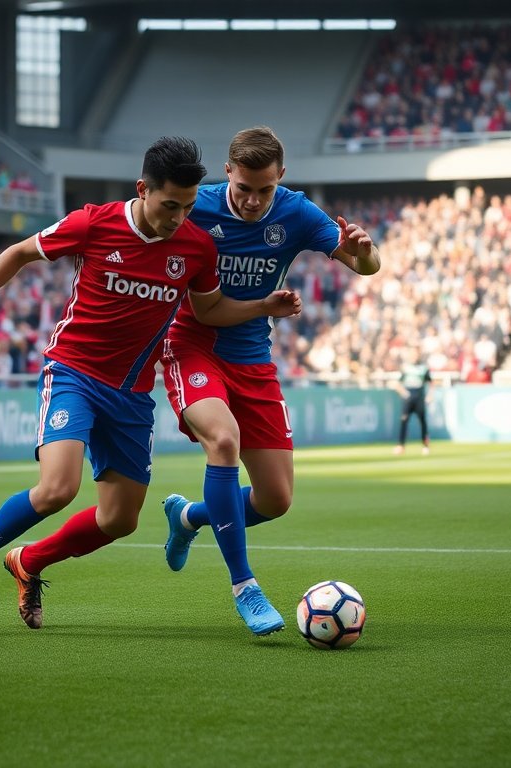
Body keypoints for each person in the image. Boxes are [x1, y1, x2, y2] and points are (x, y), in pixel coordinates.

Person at [0, 136, 302, 632]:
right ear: (143, 189)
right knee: (58, 488)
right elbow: (18, 253)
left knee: (120, 520)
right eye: (170, 206)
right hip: (74, 374)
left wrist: (261, 306)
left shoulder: (196, 245)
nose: (179, 218)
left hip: (131, 392)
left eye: (189, 207)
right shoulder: (94, 223)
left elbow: (209, 310)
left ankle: (28, 562)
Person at [156, 126, 379, 635]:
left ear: (282, 177)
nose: (254, 200)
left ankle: (189, 517)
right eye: (243, 188)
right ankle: (245, 586)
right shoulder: (196, 206)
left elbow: (366, 266)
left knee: (276, 499)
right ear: (227, 173)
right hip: (193, 346)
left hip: (253, 357)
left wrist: (363, 251)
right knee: (224, 440)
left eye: (265, 189)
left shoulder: (296, 212)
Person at [393, 345, 431, 455]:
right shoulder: (405, 368)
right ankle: (401, 445)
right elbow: (398, 383)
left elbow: (431, 383)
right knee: (404, 420)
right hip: (409, 396)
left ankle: (425, 445)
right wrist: (404, 393)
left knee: (422, 421)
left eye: (416, 353)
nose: (414, 356)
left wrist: (430, 395)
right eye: (413, 353)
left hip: (419, 395)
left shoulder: (423, 368)